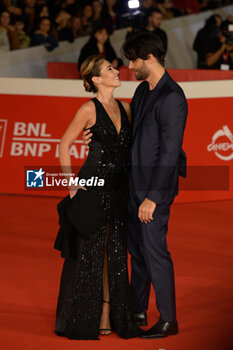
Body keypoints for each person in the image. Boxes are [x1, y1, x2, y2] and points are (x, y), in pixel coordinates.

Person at [83, 32, 188, 338]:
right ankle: (138, 308)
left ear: (150, 59)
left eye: (134, 60)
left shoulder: (173, 98)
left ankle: (169, 319)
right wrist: (96, 136)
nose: (129, 66)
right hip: (132, 184)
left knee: (155, 252)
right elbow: (126, 132)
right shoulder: (143, 91)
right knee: (138, 252)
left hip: (154, 190)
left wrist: (152, 198)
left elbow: (170, 153)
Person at [54, 54, 142, 340]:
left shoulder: (126, 109)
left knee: (115, 253)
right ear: (96, 79)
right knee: (90, 254)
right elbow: (63, 145)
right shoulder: (87, 110)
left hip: (119, 190)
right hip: (93, 187)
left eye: (115, 67)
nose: (117, 71)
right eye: (109, 69)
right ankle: (89, 315)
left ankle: (108, 312)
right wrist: (71, 184)